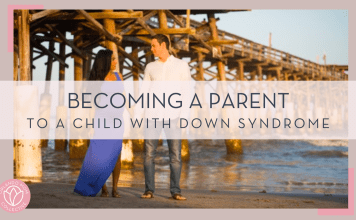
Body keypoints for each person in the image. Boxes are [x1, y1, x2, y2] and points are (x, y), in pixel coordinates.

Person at [138, 34, 191, 200]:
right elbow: (144, 93)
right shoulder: (150, 67)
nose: (151, 49)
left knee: (175, 156)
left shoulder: (182, 65)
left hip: (174, 116)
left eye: (153, 45)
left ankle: (175, 191)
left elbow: (187, 93)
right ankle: (149, 190)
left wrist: (184, 116)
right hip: (152, 116)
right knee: (148, 155)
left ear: (163, 45)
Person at [74, 49, 124, 198]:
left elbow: (124, 98)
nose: (116, 62)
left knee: (116, 154)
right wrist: (90, 125)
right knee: (99, 155)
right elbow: (92, 105)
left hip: (117, 121)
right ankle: (104, 189)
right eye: (113, 59)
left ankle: (115, 189)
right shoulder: (97, 80)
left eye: (115, 59)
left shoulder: (118, 76)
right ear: (105, 61)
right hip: (101, 120)